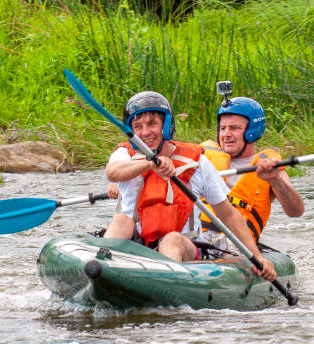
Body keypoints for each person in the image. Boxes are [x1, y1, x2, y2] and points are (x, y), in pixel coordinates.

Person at [103, 91, 277, 281]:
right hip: (136, 244)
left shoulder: (197, 163)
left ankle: (165, 288)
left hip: (184, 247)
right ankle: (105, 271)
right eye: (137, 126)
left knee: (172, 240)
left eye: (152, 124)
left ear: (166, 126)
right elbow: (113, 172)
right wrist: (150, 164)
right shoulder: (124, 155)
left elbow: (228, 214)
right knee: (121, 221)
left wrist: (256, 256)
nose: (145, 132)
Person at [199, 96, 304, 245]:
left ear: (252, 131)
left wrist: (275, 180)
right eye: (223, 128)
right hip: (195, 238)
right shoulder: (202, 158)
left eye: (234, 128)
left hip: (236, 247)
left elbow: (296, 211)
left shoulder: (269, 167)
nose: (226, 134)